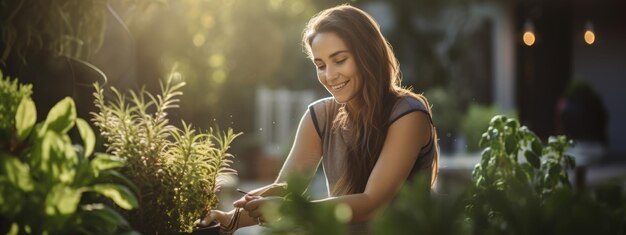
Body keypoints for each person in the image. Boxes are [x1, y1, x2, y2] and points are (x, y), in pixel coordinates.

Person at [197, 4, 439, 234]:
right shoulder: (320, 116)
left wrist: (289, 209)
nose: (330, 75)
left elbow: (372, 203)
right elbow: (286, 191)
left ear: (368, 54)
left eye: (340, 60)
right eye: (320, 65)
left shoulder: (408, 114)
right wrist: (230, 219)